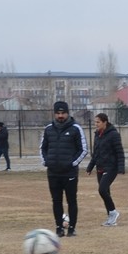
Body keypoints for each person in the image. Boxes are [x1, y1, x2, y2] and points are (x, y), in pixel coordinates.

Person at [39, 101, 87, 237]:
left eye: (63, 113)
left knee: (71, 200)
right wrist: (46, 162)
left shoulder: (76, 128)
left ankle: (72, 229)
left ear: (67, 113)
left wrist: (72, 163)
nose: (60, 116)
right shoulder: (48, 129)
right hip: (53, 173)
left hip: (69, 173)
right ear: (54, 114)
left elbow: (83, 150)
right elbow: (42, 148)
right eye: (58, 113)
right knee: (56, 201)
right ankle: (59, 227)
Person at [85, 113, 126, 227]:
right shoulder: (97, 134)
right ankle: (111, 219)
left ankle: (113, 212)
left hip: (111, 167)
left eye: (98, 122)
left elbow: (119, 152)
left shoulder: (113, 134)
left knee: (102, 190)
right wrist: (90, 167)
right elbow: (96, 153)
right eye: (95, 122)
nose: (96, 124)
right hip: (100, 167)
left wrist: (121, 167)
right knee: (106, 192)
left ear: (105, 122)